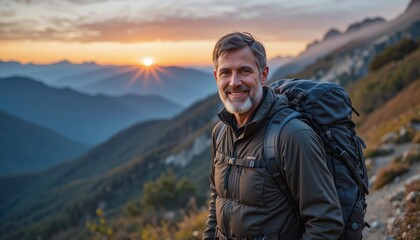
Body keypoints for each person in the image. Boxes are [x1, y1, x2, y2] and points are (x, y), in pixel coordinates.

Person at [203, 32, 344, 240]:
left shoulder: (293, 136)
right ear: (216, 77)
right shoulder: (221, 132)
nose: (234, 82)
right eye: (225, 73)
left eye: (244, 71)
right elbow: (217, 200)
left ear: (263, 74)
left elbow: (325, 222)